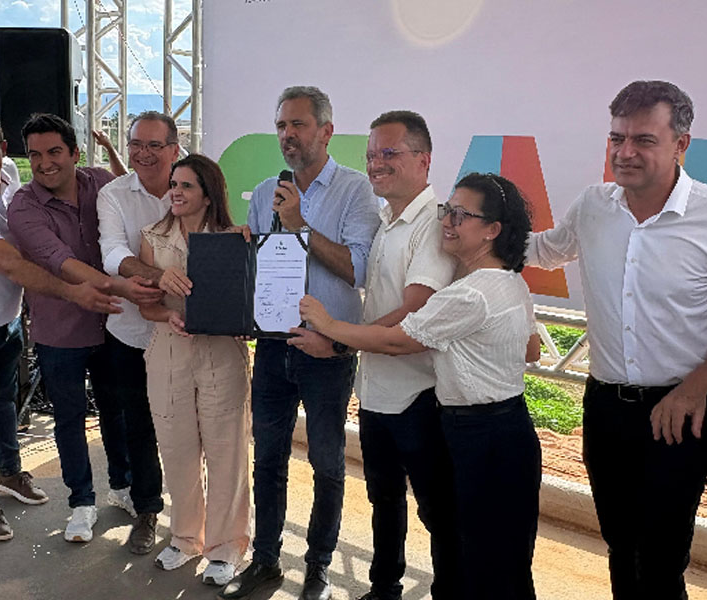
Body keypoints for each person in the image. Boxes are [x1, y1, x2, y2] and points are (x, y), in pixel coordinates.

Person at [300, 172, 541, 599]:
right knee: (502, 558)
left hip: (482, 433)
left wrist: (330, 325)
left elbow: (398, 339)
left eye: (462, 215)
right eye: (448, 210)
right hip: (504, 427)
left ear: (492, 230)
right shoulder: (509, 281)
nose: (447, 221)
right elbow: (531, 349)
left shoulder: (470, 295)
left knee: (485, 556)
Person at [526, 80, 707, 599]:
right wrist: (469, 231)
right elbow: (545, 250)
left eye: (643, 140)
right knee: (619, 544)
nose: (624, 153)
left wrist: (694, 388)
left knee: (660, 560)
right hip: (605, 407)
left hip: (680, 412)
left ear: (682, 144)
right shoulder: (594, 205)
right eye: (617, 138)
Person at [0, 110, 120, 542]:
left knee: (4, 403)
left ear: (2, 148)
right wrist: (74, 293)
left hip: (6, 320)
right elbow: (12, 264)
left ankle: (10, 474)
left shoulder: (11, 171)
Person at [220, 86, 380, 600]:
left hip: (326, 354)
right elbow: (259, 270)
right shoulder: (267, 189)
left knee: (328, 465)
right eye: (282, 126)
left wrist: (300, 227)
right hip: (271, 350)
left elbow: (359, 269)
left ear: (327, 132)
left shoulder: (356, 191)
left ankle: (318, 568)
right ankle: (266, 562)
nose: (288, 135)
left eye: (299, 125)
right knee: (266, 458)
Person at [294, 110, 456, 600]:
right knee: (384, 499)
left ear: (423, 160)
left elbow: (414, 312)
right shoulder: (387, 218)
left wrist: (338, 337)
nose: (376, 164)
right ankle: (383, 587)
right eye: (370, 156)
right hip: (378, 389)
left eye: (390, 153)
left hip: (418, 393)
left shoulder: (434, 224)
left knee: (436, 510)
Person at [7, 113, 164, 542]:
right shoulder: (23, 206)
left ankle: (122, 487)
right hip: (62, 330)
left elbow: (128, 189)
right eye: (35, 155)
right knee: (70, 417)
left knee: (116, 411)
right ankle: (81, 502)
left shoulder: (99, 182)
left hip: (112, 324)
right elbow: (62, 262)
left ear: (75, 153)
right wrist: (127, 287)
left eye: (55, 152)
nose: (45, 163)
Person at [137, 154, 251, 585]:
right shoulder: (152, 238)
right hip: (168, 353)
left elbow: (250, 302)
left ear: (209, 194)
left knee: (227, 452)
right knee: (177, 449)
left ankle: (227, 547)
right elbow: (144, 305)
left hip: (222, 354)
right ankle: (185, 538)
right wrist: (168, 316)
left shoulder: (234, 238)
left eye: (186, 186)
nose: (176, 193)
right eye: (174, 185)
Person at [97, 110, 182, 554]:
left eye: (153, 145)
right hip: (130, 332)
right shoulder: (113, 194)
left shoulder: (192, 187)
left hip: (188, 332)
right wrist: (154, 277)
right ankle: (147, 510)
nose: (142, 154)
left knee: (189, 428)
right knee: (139, 425)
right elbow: (112, 249)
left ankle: (191, 519)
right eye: (135, 144)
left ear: (174, 149)